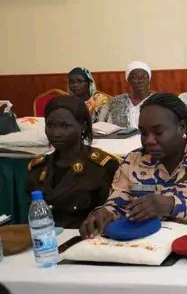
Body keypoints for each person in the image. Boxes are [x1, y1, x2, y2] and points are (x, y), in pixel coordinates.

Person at [79, 93, 187, 237]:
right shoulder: (133, 161)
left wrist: (173, 205)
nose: (149, 141)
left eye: (158, 132)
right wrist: (104, 213)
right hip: (145, 244)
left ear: (181, 127)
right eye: (143, 133)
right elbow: (117, 203)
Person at [26, 96, 119, 228]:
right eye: (50, 125)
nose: (56, 133)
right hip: (46, 236)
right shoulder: (38, 167)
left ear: (83, 126)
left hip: (86, 236)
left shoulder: (102, 167)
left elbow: (111, 212)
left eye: (65, 126)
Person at [97, 60, 153, 128]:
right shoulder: (114, 102)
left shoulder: (159, 101)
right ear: (128, 80)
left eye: (144, 77)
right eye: (135, 77)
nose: (140, 80)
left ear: (149, 79)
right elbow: (101, 127)